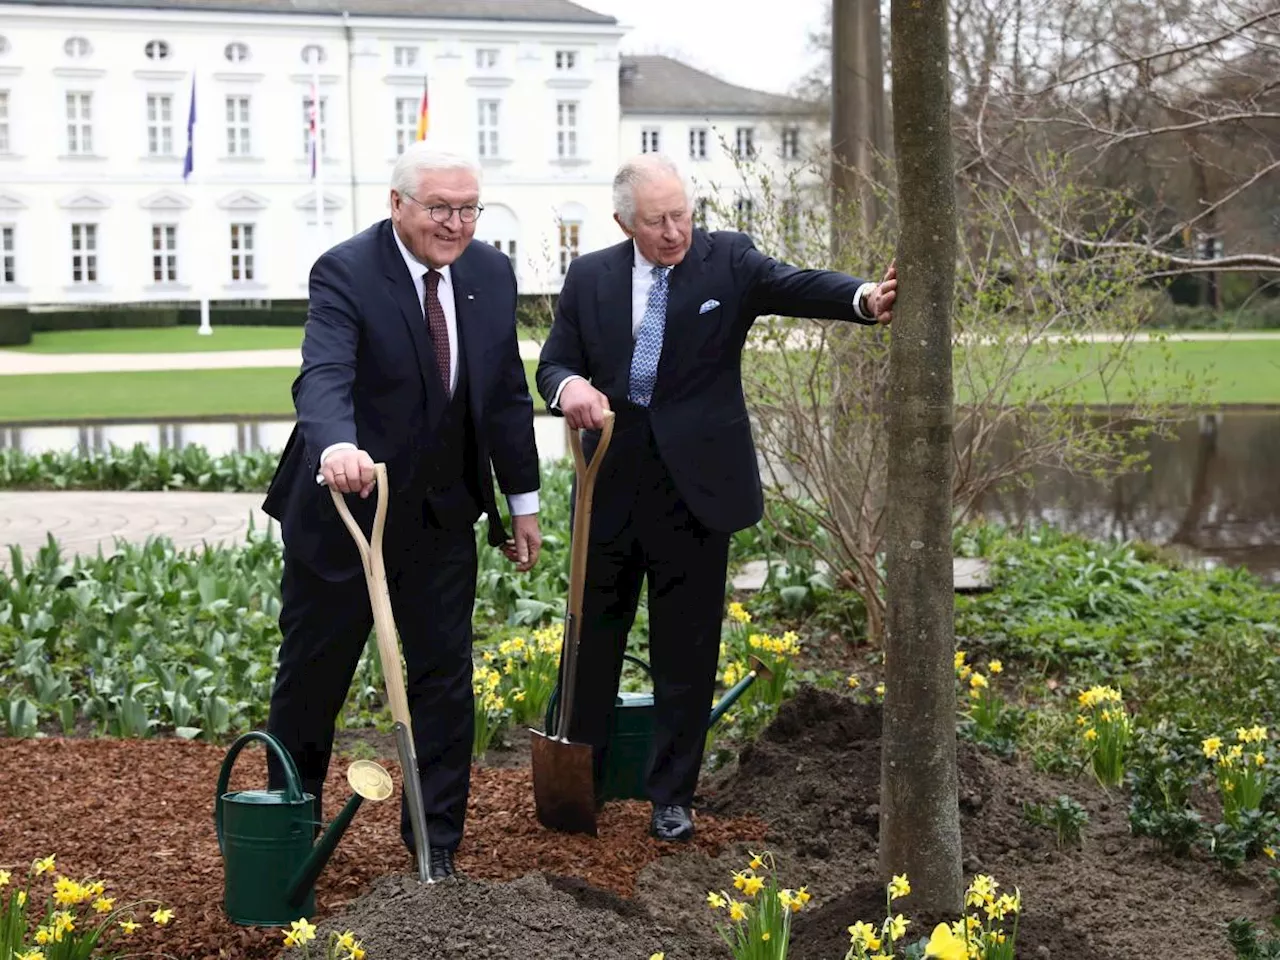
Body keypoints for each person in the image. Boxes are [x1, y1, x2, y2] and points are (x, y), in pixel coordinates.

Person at [536, 152, 895, 842]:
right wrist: (566, 388)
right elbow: (554, 361)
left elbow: (793, 284)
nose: (674, 232)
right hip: (606, 484)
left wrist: (863, 300)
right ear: (623, 222)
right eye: (657, 221)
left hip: (696, 492)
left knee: (687, 650)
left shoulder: (726, 261)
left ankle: (671, 797)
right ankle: (581, 788)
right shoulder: (591, 277)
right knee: (592, 642)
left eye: (682, 215)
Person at [262, 144, 542, 879]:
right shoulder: (347, 271)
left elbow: (506, 393)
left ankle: (435, 845)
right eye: (440, 208)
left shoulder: (489, 273)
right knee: (311, 682)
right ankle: (287, 837)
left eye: (469, 208)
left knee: (446, 678)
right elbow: (322, 373)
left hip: (441, 515)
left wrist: (522, 502)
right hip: (345, 517)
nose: (457, 224)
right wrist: (337, 447)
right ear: (397, 204)